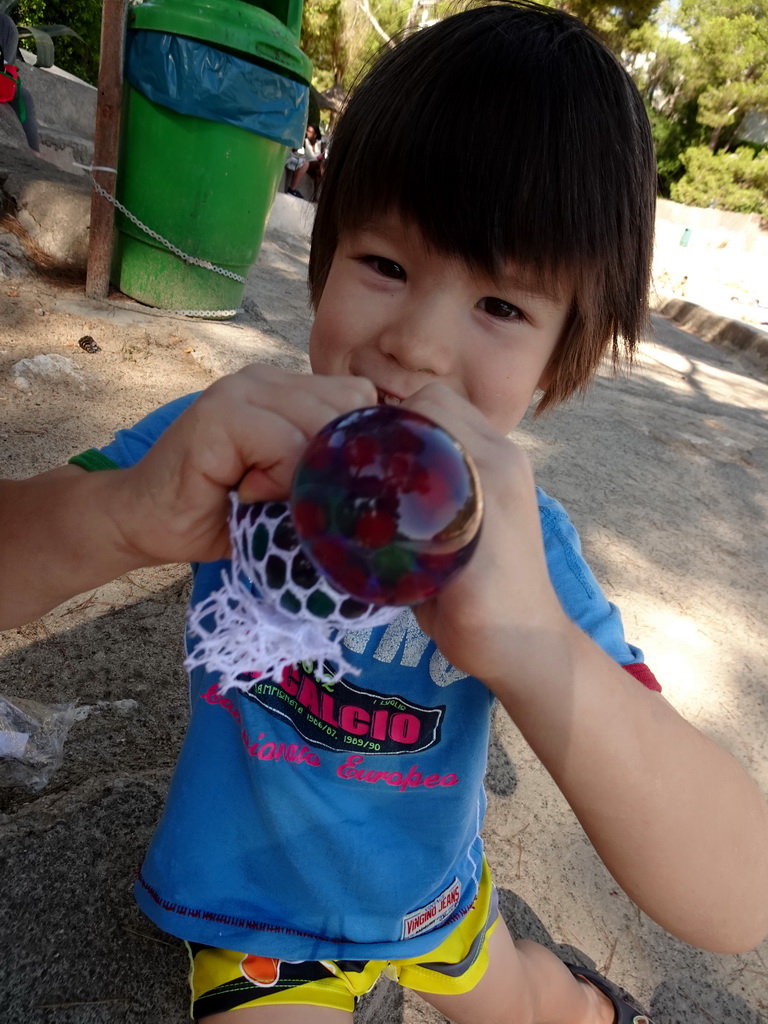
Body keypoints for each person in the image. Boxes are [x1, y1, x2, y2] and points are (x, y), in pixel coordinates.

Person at [2, 4, 768, 1022]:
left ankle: (580, 1004)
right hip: (260, 913)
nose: (414, 344)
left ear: (560, 358)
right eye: (386, 266)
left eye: (500, 306)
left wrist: (535, 645)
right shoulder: (233, 447)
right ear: (322, 255)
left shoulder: (523, 549)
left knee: (531, 1002)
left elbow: (734, 899)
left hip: (438, 894)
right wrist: (130, 511)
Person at [0, 11, 41, 153]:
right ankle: (34, 153)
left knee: (24, 98)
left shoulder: (6, 26)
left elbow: (5, 71)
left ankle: (33, 153)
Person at [285, 123, 324, 199]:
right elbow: (295, 149)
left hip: (317, 166)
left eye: (310, 132)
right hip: (310, 164)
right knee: (319, 166)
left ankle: (316, 197)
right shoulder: (305, 141)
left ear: (315, 134)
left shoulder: (320, 143)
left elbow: (323, 154)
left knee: (318, 171)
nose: (307, 133)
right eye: (307, 131)